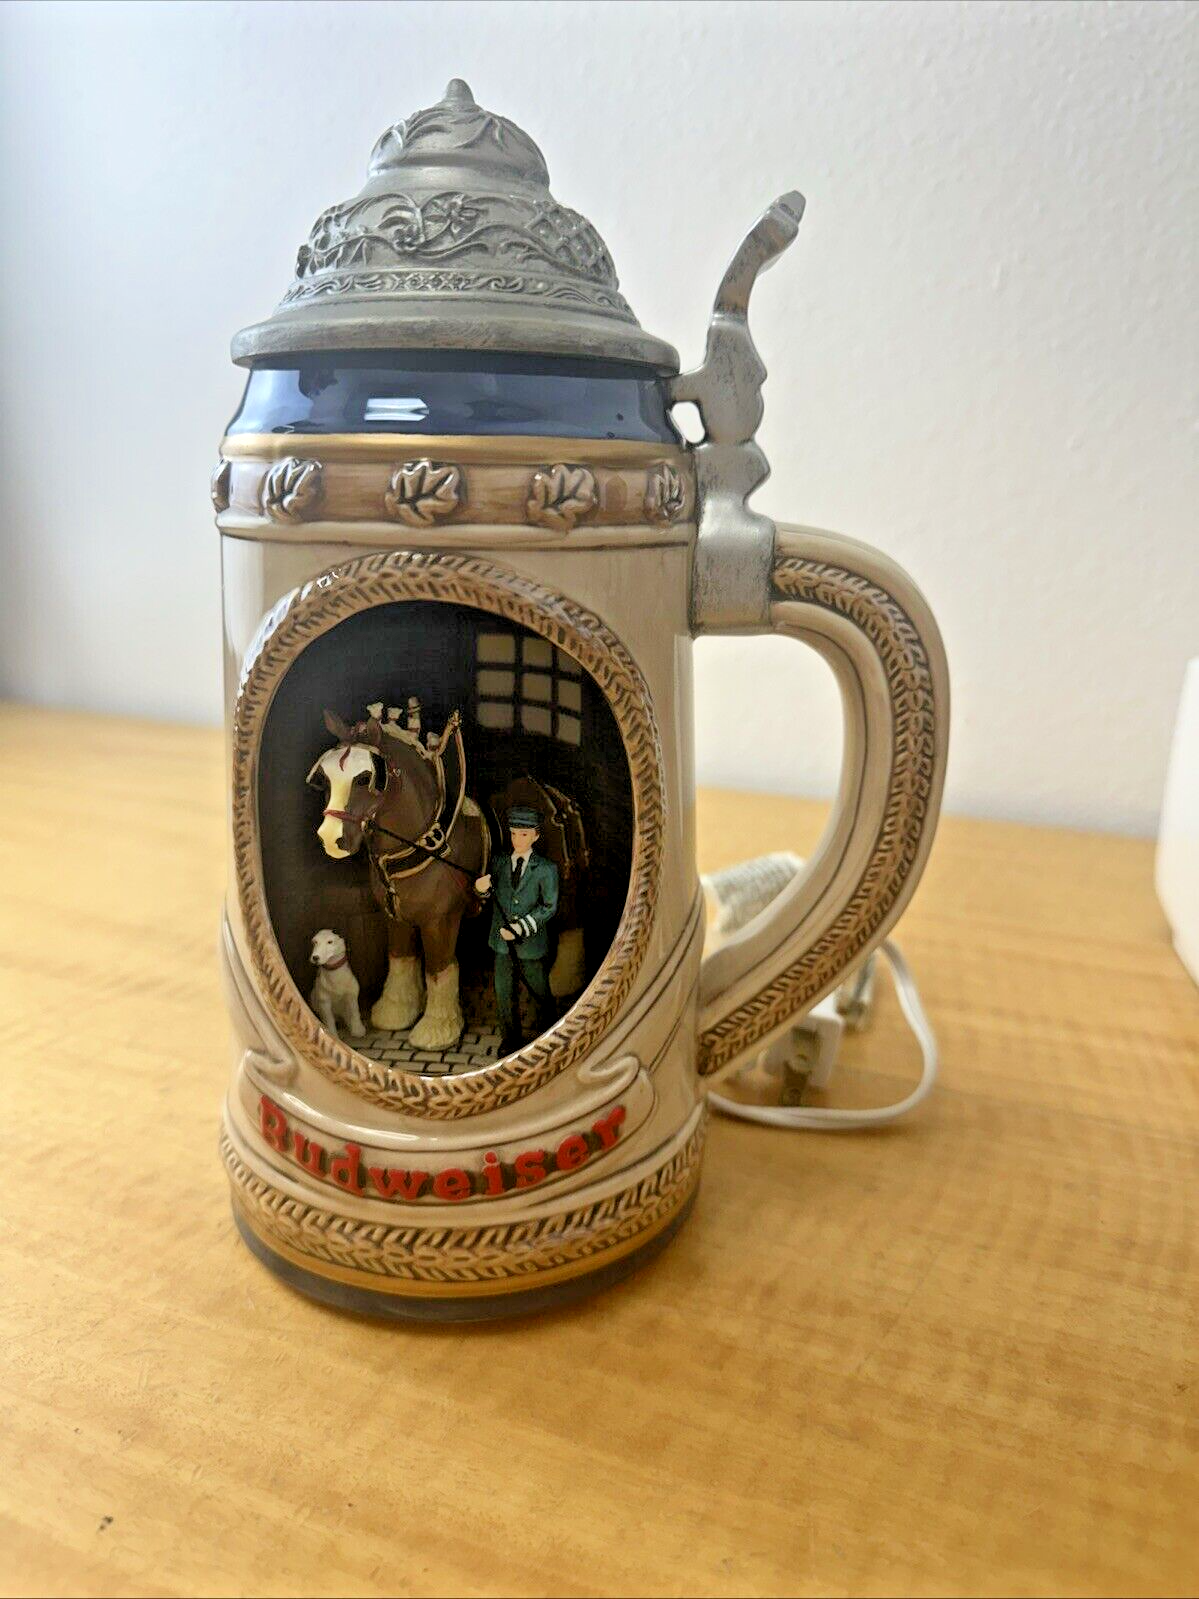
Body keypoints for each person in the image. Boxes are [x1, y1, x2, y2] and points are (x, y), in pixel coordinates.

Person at [475, 805, 559, 1054]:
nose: (517, 840)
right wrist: (481, 889)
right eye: (513, 834)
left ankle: (549, 1034)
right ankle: (510, 1039)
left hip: (530, 945)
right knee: (503, 992)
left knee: (540, 991)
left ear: (536, 836)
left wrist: (520, 928)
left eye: (524, 834)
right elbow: (491, 894)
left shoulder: (546, 869)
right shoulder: (499, 862)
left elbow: (549, 906)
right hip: (501, 945)